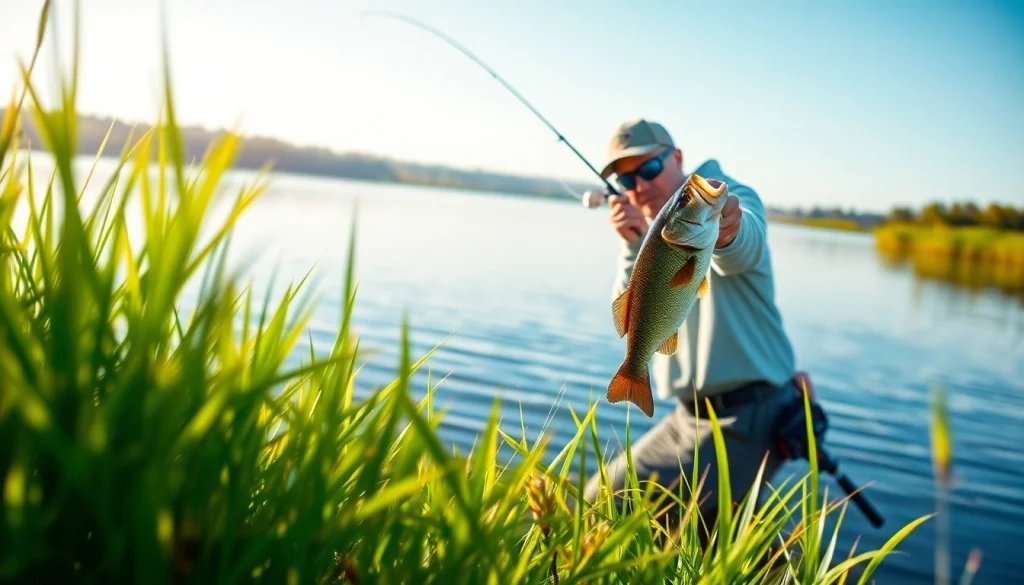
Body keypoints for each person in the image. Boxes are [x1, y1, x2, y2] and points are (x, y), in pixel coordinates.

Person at [582, 118, 799, 538]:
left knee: (691, 534)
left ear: (677, 158)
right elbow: (630, 319)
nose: (639, 186)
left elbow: (744, 243)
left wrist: (728, 230)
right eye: (626, 179)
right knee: (600, 501)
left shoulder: (721, 198)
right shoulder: (652, 234)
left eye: (648, 169)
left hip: (750, 414)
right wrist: (631, 245)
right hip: (687, 417)